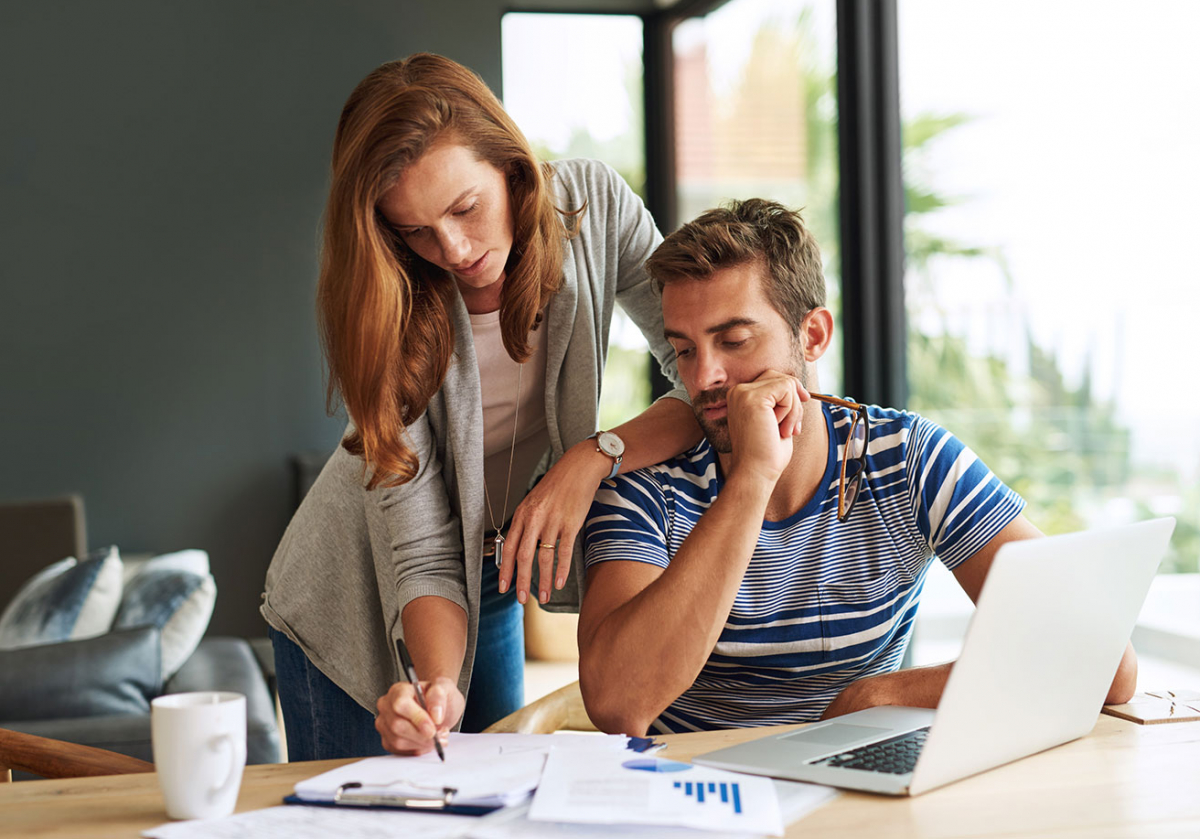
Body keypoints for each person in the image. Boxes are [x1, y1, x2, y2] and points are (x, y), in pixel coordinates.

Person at [261, 54, 700, 759]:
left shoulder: (593, 208)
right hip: (350, 600)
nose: (454, 249)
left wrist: (597, 455)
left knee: (495, 803)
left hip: (489, 576)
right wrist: (435, 686)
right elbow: (422, 545)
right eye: (415, 231)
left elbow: (702, 374)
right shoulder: (390, 307)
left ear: (510, 166)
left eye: (466, 207)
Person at [577, 198, 1137, 736]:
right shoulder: (644, 486)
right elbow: (617, 705)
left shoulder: (907, 457)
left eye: (734, 341)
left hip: (856, 792)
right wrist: (752, 479)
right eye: (686, 349)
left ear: (813, 335)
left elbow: (1105, 662)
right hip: (697, 798)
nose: (703, 378)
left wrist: (881, 695)